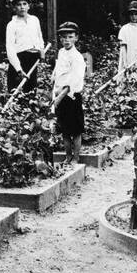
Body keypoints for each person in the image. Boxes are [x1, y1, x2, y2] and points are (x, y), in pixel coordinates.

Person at [52, 21, 87, 165]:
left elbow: (74, 81)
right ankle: (67, 156)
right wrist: (53, 82)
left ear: (76, 38)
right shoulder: (61, 52)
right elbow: (58, 71)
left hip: (71, 96)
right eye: (63, 37)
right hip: (60, 94)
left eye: (70, 37)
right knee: (64, 129)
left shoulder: (77, 57)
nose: (66, 40)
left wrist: (60, 97)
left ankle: (76, 157)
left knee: (76, 129)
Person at [5, 0, 45, 96]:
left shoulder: (34, 20)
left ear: (29, 6)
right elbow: (10, 48)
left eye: (24, 4)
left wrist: (41, 49)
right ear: (14, 8)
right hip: (19, 59)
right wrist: (18, 69)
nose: (22, 7)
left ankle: (31, 109)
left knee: (31, 89)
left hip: (33, 57)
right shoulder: (12, 25)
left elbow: (39, 37)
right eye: (18, 5)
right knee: (16, 90)